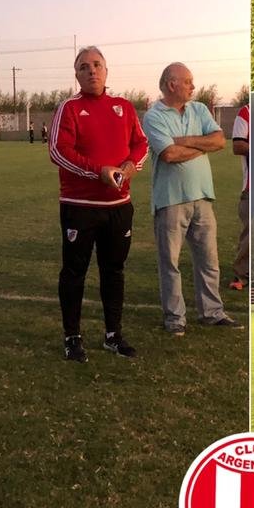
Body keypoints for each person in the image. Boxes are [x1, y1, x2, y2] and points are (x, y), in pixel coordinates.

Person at [48, 46, 149, 361]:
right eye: (83, 67)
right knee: (75, 272)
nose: (91, 70)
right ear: (76, 75)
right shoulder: (70, 107)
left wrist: (131, 166)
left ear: (107, 71)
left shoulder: (124, 106)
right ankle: (72, 337)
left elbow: (141, 143)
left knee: (114, 271)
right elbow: (58, 150)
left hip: (119, 206)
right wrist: (98, 173)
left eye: (97, 65)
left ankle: (112, 335)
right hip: (80, 206)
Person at [141, 63, 236, 335]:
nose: (193, 86)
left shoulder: (200, 110)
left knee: (209, 260)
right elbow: (169, 155)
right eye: (188, 82)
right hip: (170, 201)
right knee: (170, 263)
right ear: (172, 84)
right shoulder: (154, 116)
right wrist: (201, 147)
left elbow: (219, 141)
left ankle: (212, 313)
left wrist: (185, 141)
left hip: (203, 198)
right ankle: (175, 319)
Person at [229, 102, 249, 290]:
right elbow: (237, 145)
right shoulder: (246, 112)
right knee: (250, 235)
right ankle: (241, 276)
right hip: (252, 188)